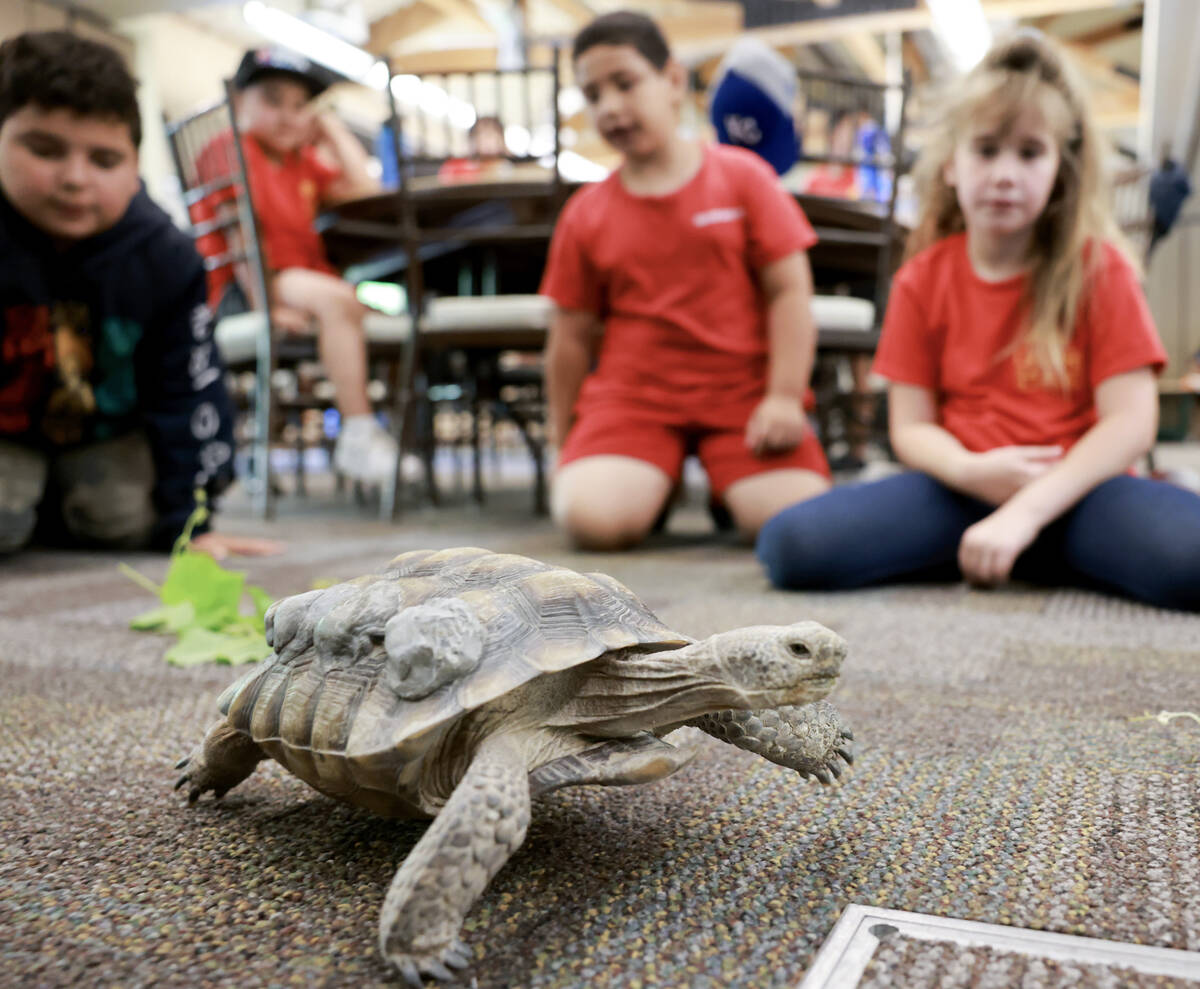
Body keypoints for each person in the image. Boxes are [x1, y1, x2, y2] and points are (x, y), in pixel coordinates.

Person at [757, 30, 1200, 612]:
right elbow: (911, 428)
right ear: (950, 167)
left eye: (1030, 153)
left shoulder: (1101, 269)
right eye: (986, 150)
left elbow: (1131, 423)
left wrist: (1024, 513)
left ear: (1060, 170)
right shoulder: (921, 279)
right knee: (791, 546)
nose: (1005, 174)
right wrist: (971, 470)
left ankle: (1027, 543)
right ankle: (1019, 548)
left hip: (1079, 488)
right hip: (960, 487)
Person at [541, 11, 830, 551]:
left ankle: (717, 485)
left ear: (673, 80)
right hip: (634, 399)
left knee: (798, 525)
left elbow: (790, 292)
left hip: (743, 396)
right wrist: (563, 441)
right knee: (591, 522)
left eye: (625, 83)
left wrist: (785, 397)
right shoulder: (584, 213)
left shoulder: (745, 177)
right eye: (593, 94)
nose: (609, 107)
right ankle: (658, 476)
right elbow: (570, 337)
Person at [0, 30, 278, 560]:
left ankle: (60, 505)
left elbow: (190, 390)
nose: (75, 178)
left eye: (104, 160)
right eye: (44, 149)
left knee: (123, 522)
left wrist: (192, 520)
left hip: (107, 433)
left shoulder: (167, 257)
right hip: (7, 430)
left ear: (134, 167)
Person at [196, 46, 398, 484]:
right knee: (340, 300)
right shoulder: (227, 147)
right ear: (238, 99)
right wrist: (265, 305)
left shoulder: (300, 162)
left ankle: (383, 438)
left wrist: (329, 128)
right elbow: (242, 239)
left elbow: (367, 191)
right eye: (272, 100)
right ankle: (360, 435)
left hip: (302, 283)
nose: (289, 116)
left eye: (300, 105)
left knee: (385, 321)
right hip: (245, 289)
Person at [438, 115, 509, 183]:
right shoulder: (455, 169)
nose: (487, 140)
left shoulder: (509, 170)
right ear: (472, 140)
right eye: (481, 134)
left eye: (491, 134)